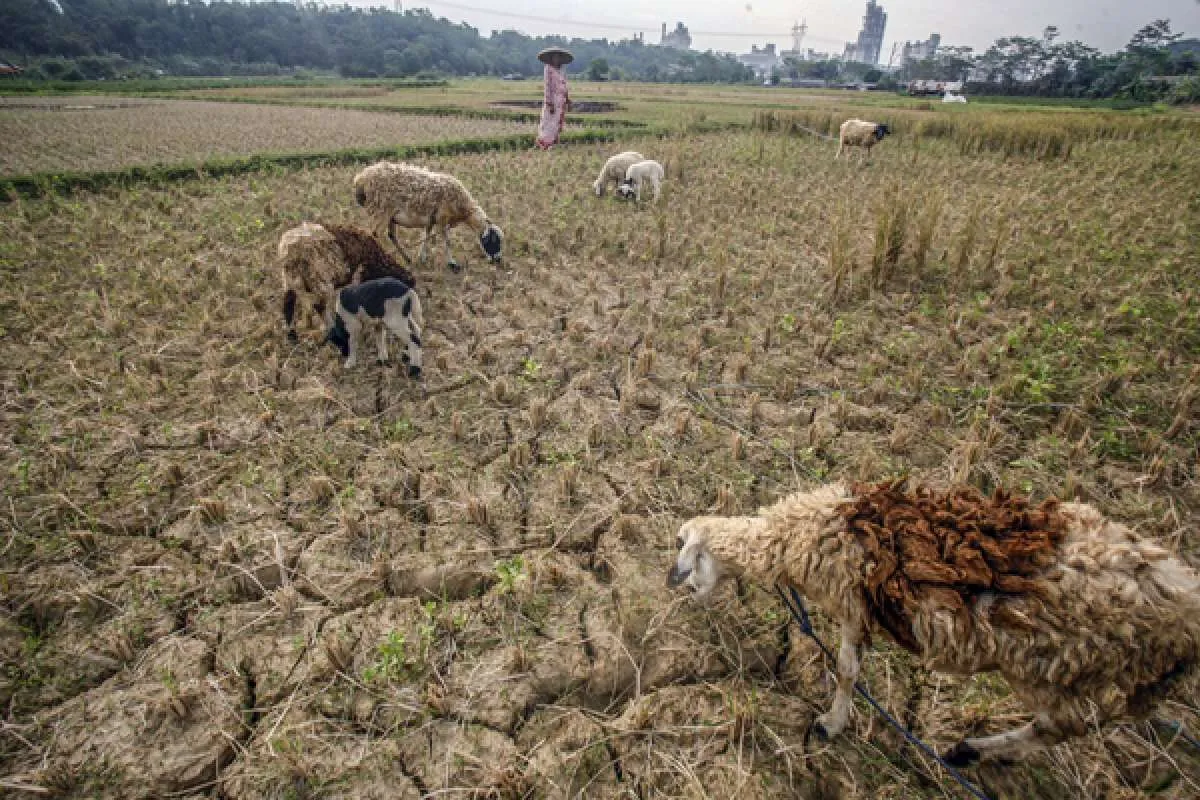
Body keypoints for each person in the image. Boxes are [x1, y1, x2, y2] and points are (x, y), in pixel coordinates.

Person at [535, 47, 572, 150]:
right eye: (554, 57)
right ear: (551, 58)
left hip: (561, 101)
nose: (556, 59)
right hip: (553, 100)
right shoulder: (548, 68)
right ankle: (545, 143)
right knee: (548, 122)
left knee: (557, 122)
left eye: (558, 57)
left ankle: (554, 143)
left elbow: (564, 85)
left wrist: (568, 99)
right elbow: (547, 86)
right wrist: (549, 102)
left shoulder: (562, 70)